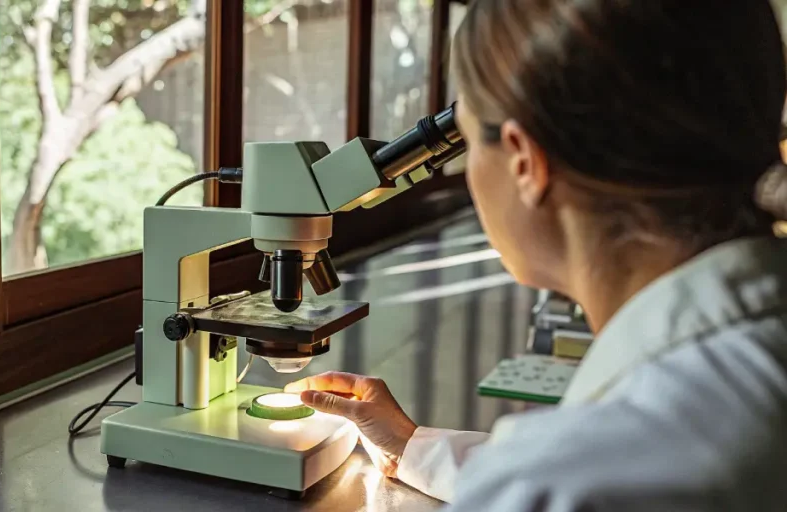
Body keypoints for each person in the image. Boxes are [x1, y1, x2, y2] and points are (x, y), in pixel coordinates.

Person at [286, 0, 787, 510]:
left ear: (525, 161)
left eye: (466, 140)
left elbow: (571, 476)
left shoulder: (561, 481)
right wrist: (414, 448)